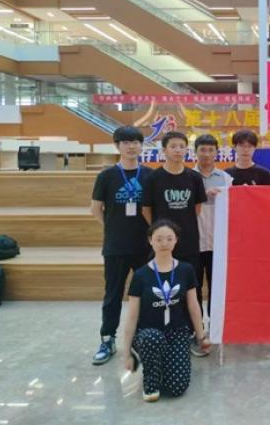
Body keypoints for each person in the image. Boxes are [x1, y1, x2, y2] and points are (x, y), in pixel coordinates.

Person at [123, 219, 210, 402]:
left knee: (177, 387)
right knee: (152, 338)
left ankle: (161, 365)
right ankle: (151, 380)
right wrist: (126, 353)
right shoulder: (140, 275)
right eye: (159, 239)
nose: (164, 243)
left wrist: (201, 337)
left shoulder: (186, 270)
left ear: (176, 240)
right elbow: (132, 316)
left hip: (177, 332)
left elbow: (193, 306)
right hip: (148, 333)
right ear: (150, 241)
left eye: (169, 239)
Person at [90, 125, 153, 365]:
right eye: (126, 142)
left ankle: (145, 336)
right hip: (115, 246)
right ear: (117, 146)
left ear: (141, 145)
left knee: (147, 294)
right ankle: (107, 339)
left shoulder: (149, 175)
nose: (131, 147)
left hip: (144, 246)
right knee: (113, 294)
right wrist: (113, 227)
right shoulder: (106, 176)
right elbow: (96, 209)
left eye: (135, 142)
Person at [141, 131, 207, 355]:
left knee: (192, 289)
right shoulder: (153, 178)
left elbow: (197, 209)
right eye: (173, 146)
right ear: (164, 150)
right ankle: (161, 334)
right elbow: (146, 209)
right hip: (162, 247)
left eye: (182, 146)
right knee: (161, 290)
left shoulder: (194, 178)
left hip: (189, 242)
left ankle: (194, 333)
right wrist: (161, 235)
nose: (178, 150)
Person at [193, 134, 233, 323]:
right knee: (194, 285)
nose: (207, 154)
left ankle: (216, 324)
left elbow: (233, 207)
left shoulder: (226, 178)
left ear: (217, 152)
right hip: (195, 241)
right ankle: (196, 325)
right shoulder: (188, 177)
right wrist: (203, 195)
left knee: (217, 286)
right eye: (202, 150)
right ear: (195, 152)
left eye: (211, 150)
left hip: (218, 242)